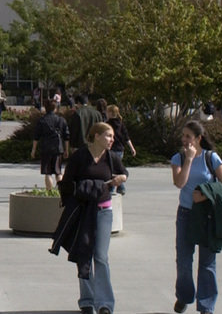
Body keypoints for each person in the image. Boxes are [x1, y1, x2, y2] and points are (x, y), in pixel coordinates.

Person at [57, 121, 126, 314]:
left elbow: (124, 173)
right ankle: (87, 301)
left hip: (104, 211)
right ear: (96, 136)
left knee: (101, 257)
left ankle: (104, 304)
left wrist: (121, 179)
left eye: (112, 136)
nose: (112, 140)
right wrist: (82, 191)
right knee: (83, 254)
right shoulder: (79, 156)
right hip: (82, 211)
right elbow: (67, 183)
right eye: (108, 136)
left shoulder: (111, 157)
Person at [171, 119, 222, 314]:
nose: (184, 139)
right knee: (184, 261)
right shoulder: (178, 158)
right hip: (186, 214)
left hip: (207, 216)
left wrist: (205, 194)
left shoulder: (211, 158)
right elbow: (180, 183)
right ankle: (184, 296)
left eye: (188, 136)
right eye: (183, 136)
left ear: (198, 138)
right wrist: (188, 159)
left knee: (207, 263)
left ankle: (206, 306)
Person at [33, 98, 70, 190]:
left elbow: (36, 137)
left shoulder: (42, 120)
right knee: (58, 172)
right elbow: (66, 136)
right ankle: (61, 192)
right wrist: (66, 149)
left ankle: (49, 191)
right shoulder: (61, 120)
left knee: (47, 172)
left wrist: (33, 150)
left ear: (45, 108)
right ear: (56, 108)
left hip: (46, 148)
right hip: (58, 148)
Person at [105, 104, 135, 193]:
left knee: (112, 168)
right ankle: (119, 187)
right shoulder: (121, 124)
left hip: (111, 149)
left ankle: (115, 187)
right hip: (120, 149)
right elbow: (127, 137)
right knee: (117, 167)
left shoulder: (107, 124)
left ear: (110, 113)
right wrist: (132, 148)